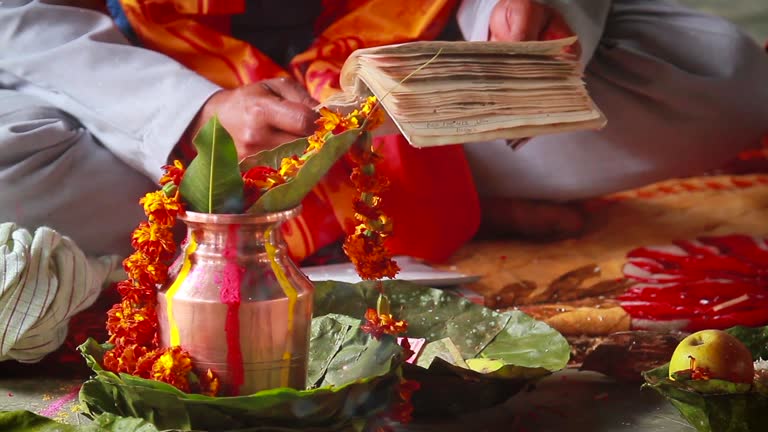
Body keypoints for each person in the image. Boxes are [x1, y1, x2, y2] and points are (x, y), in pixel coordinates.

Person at [1, 0, 767, 261]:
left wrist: (522, 18)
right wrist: (186, 116)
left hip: (406, 66)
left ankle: (319, 192)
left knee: (721, 75)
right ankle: (387, 198)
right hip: (142, 83)